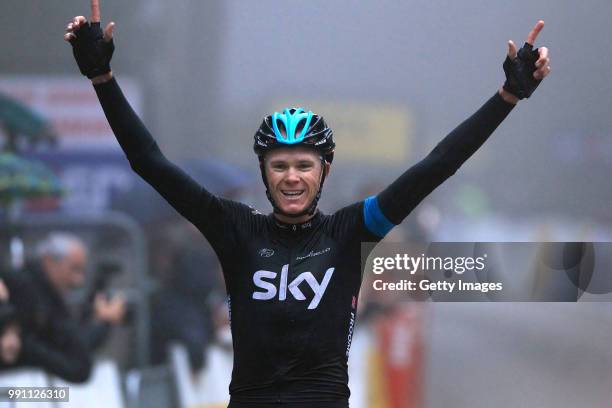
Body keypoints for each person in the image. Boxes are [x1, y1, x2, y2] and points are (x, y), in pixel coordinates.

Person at [64, 2, 551, 406]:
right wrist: (103, 79)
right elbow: (150, 162)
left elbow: (439, 164)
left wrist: (507, 97)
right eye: (279, 166)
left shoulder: (350, 230)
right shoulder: (235, 228)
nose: (292, 176)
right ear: (264, 173)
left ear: (325, 172)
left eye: (304, 164)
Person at [1, 232, 126, 382]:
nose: (78, 281)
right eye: (74, 269)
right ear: (49, 261)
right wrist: (104, 321)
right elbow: (73, 359)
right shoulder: (26, 290)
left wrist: (102, 320)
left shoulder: (46, 295)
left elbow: (72, 346)